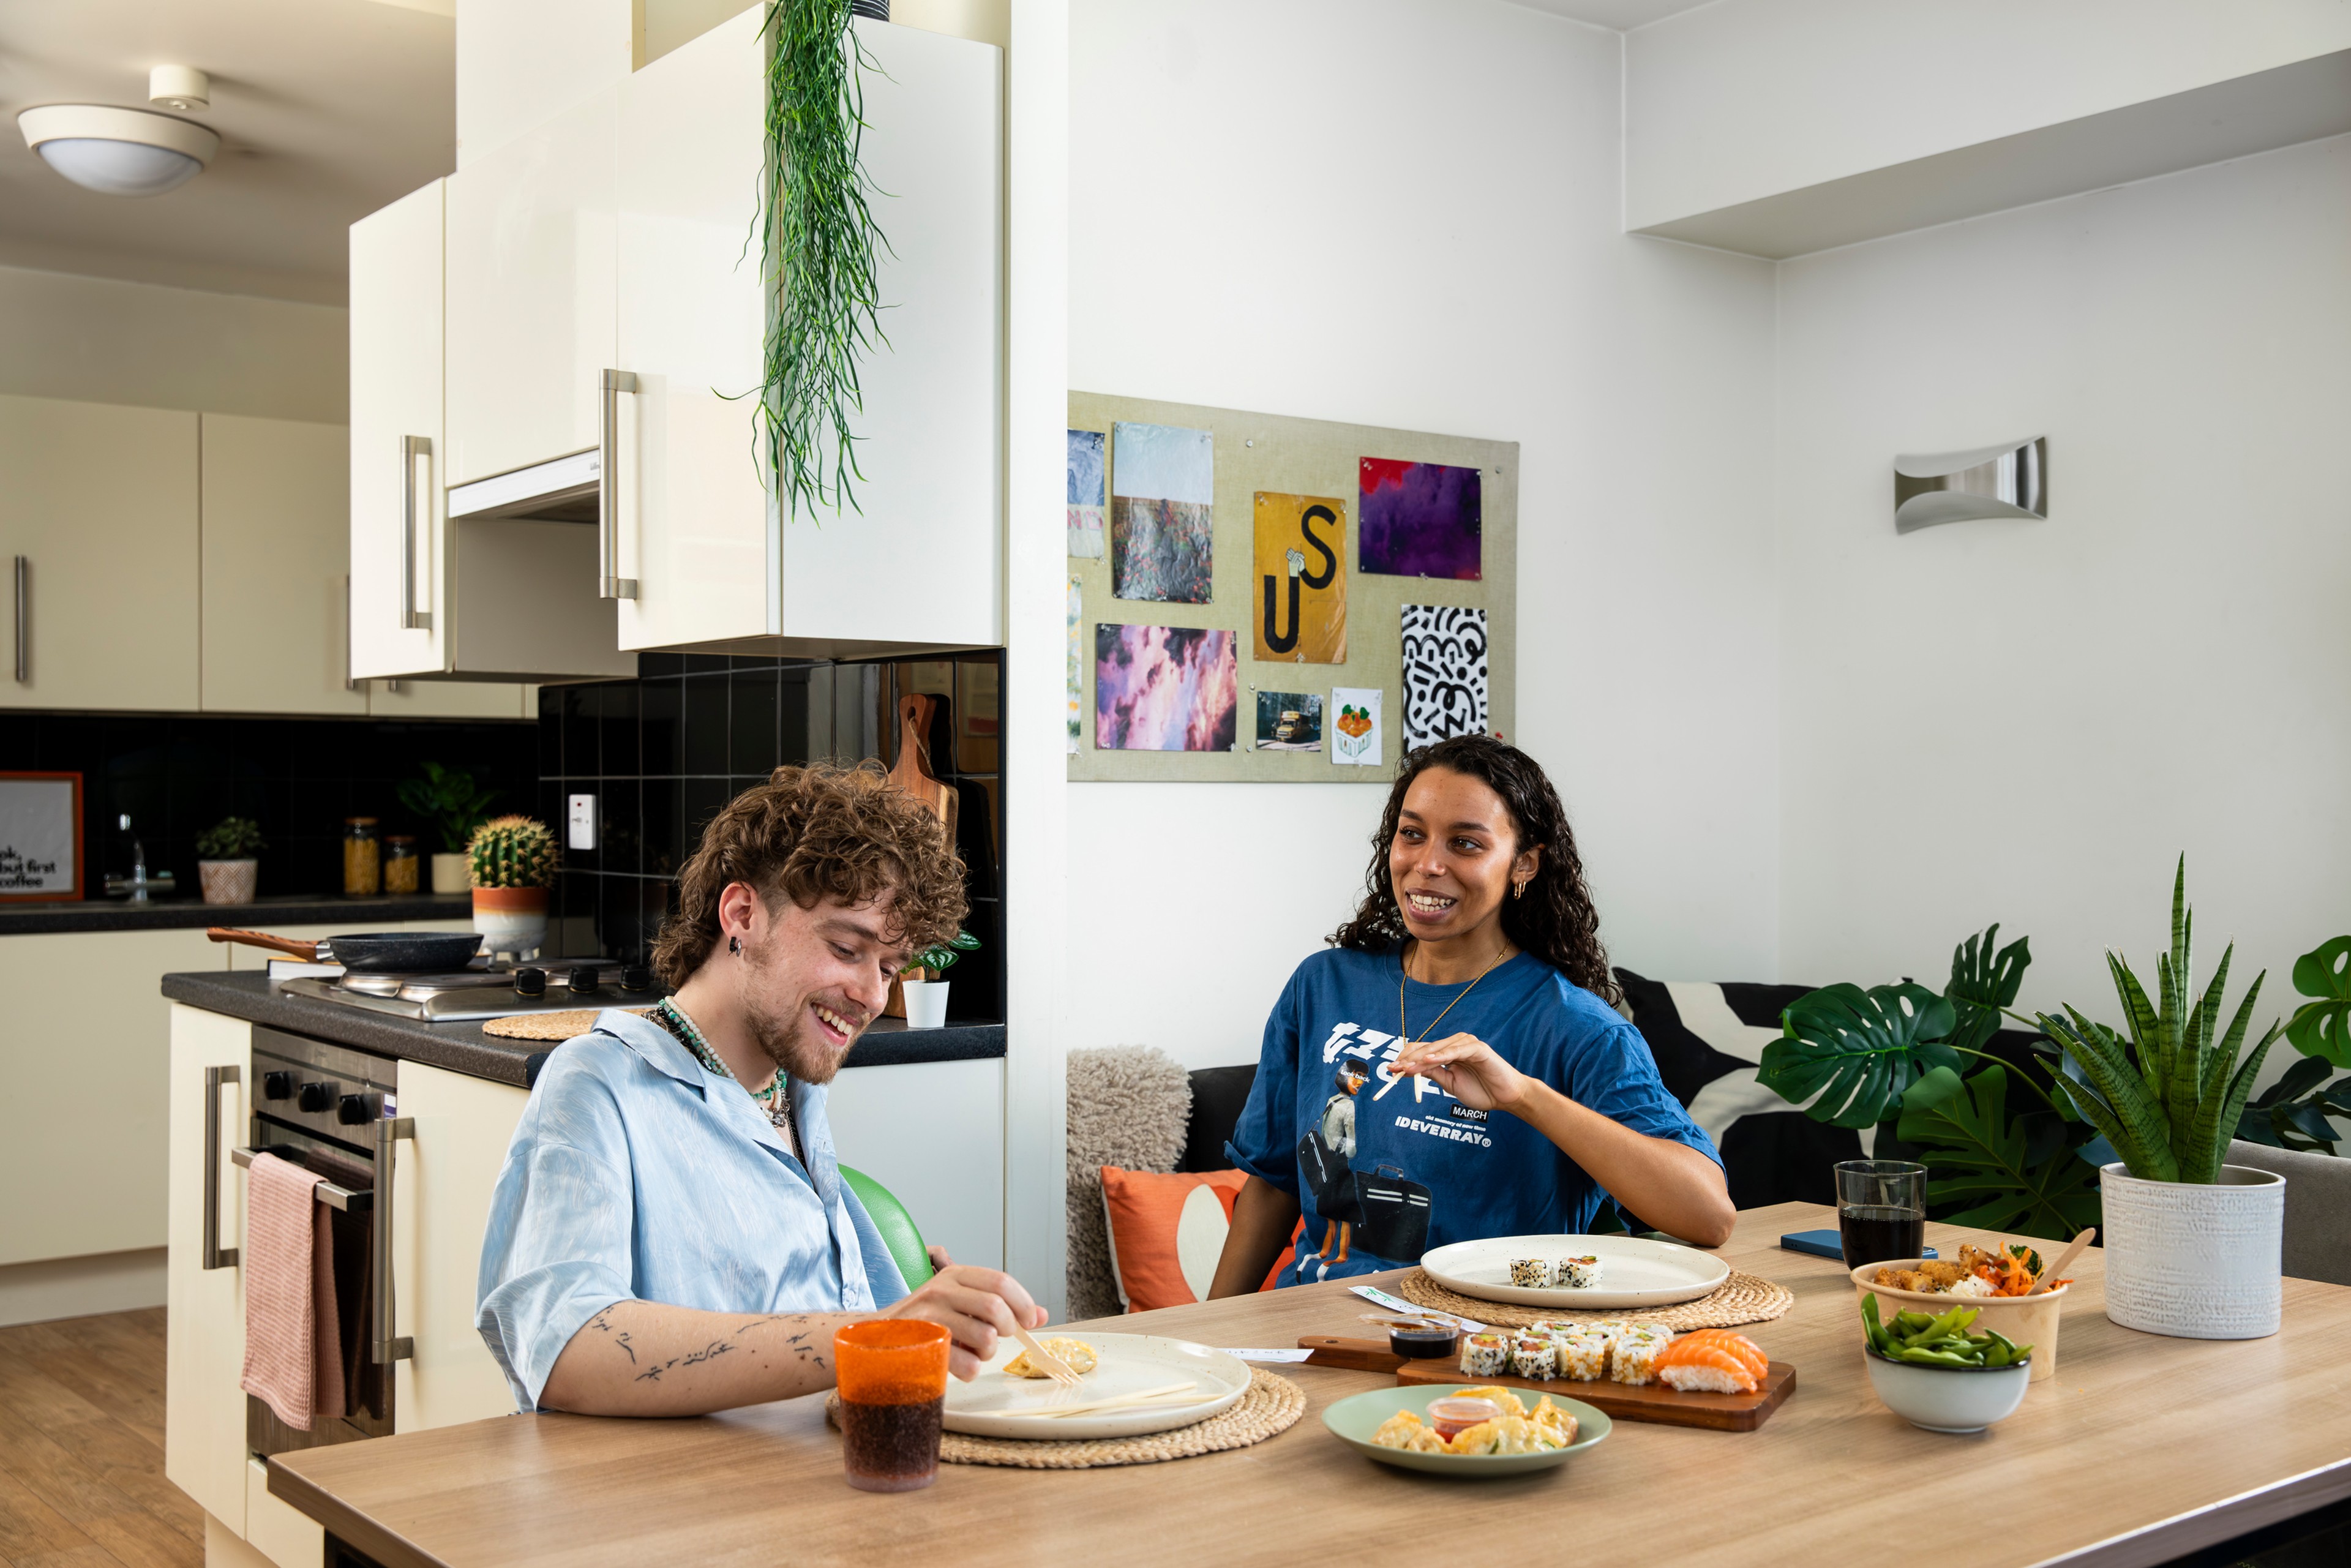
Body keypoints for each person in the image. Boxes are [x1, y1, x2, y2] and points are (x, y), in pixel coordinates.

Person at [475, 763, 1046, 1416]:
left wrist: (925, 1299)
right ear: (742, 913)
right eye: (846, 947)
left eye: (888, 967)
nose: (871, 994)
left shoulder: (793, 1091)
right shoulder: (598, 1084)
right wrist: (875, 1334)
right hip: (673, 1508)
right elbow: (563, 1349)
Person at [1207, 735, 1734, 1296]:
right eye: (1412, 834)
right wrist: (1200, 1339)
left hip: (1481, 1346)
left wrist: (1524, 1097)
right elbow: (1272, 1183)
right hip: (1314, 1331)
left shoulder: (1577, 1028)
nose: (1428, 864)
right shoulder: (1323, 985)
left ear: (1524, 864)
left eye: (1465, 843)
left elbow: (1708, 1215)